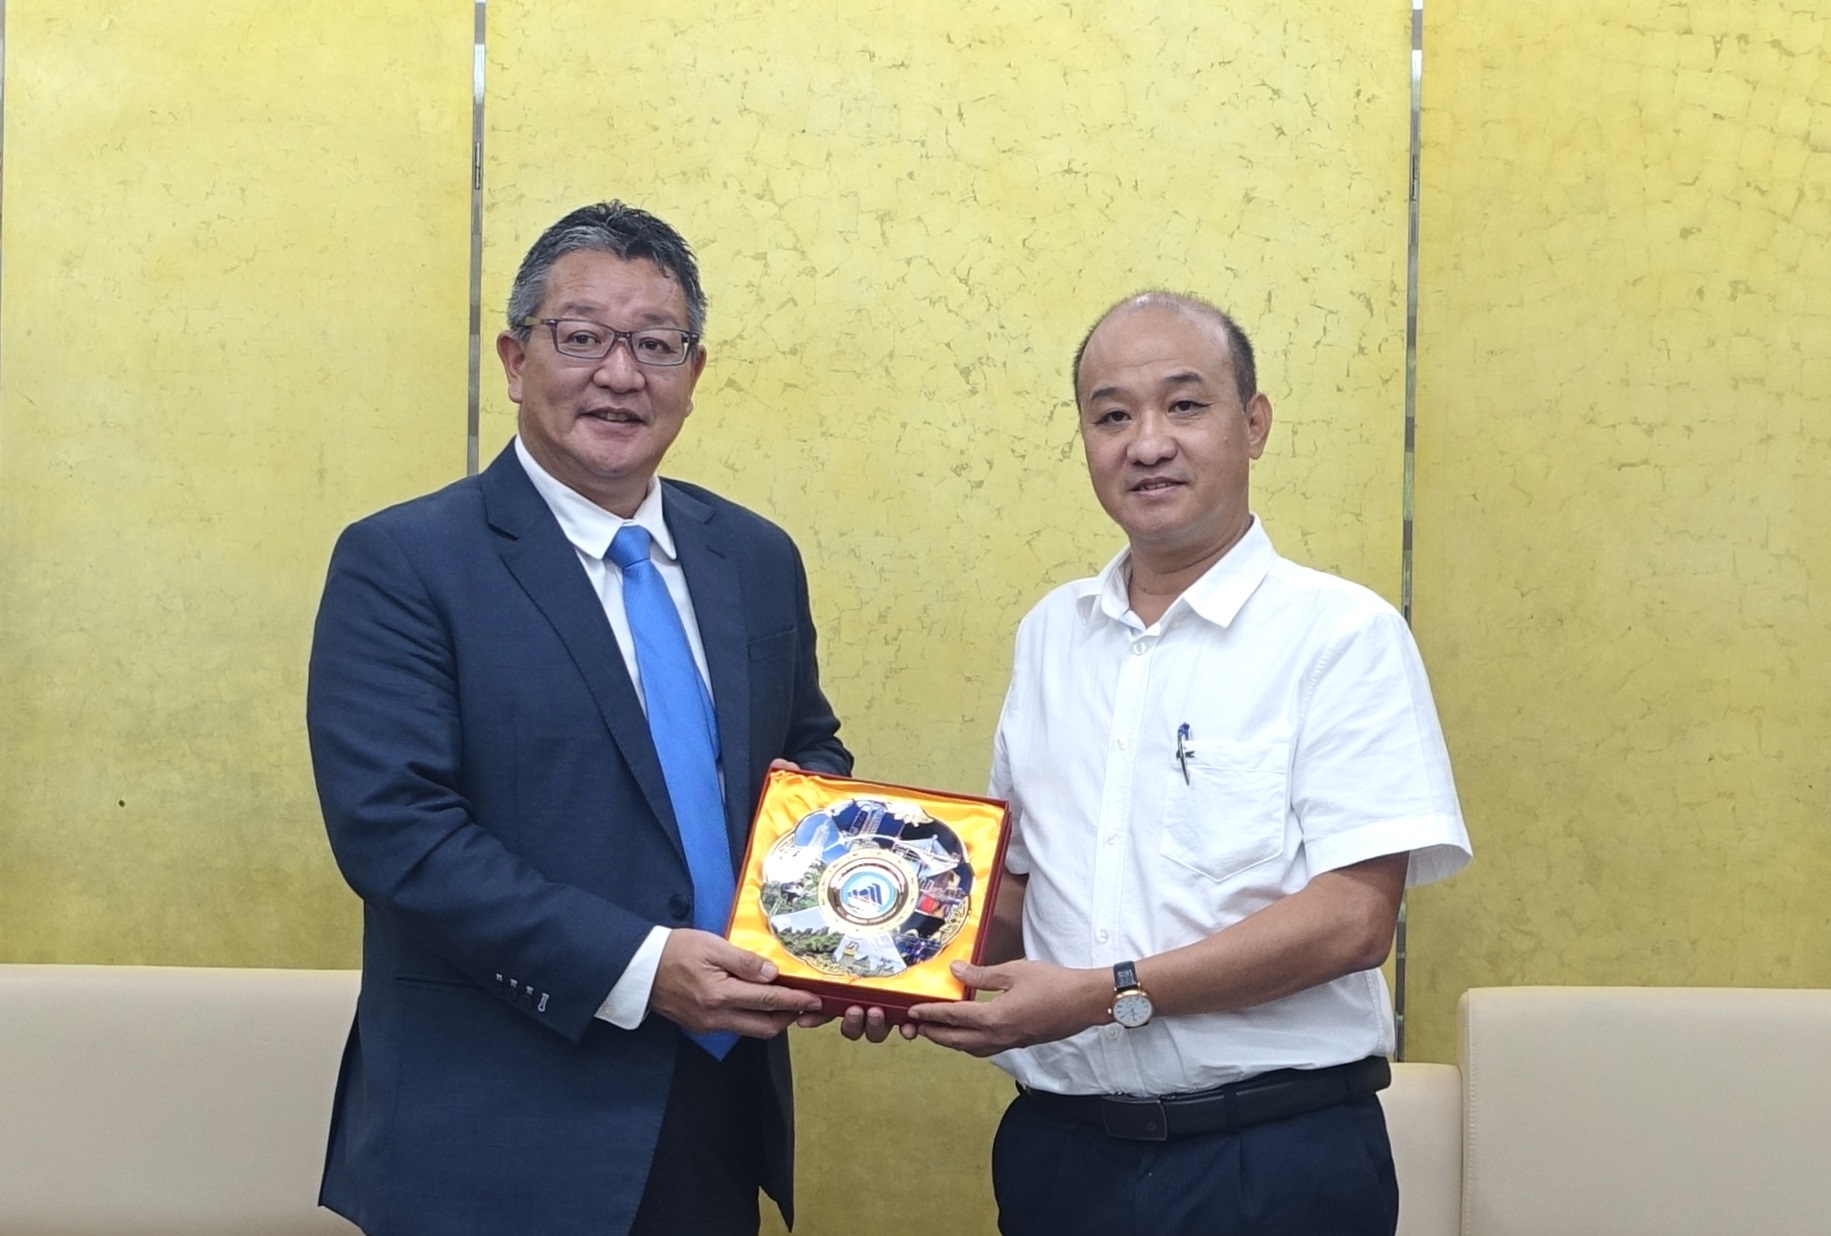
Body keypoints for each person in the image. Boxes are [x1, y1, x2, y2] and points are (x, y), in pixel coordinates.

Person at [306, 201, 847, 1236]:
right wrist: (641, 968)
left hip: (713, 1104)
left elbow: (803, 753)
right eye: (582, 337)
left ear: (694, 373)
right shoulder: (406, 562)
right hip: (493, 1133)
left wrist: (835, 927)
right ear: (515, 359)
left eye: (655, 344)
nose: (620, 373)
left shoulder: (756, 558)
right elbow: (397, 832)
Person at [906, 291, 1472, 1235]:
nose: (1147, 442)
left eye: (1184, 405)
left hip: (1270, 1165)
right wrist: (897, 973)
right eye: (1112, 414)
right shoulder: (1051, 635)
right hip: (1061, 1158)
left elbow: (1351, 922)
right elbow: (1014, 886)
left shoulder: (1340, 634)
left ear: (1251, 425)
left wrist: (1099, 997)